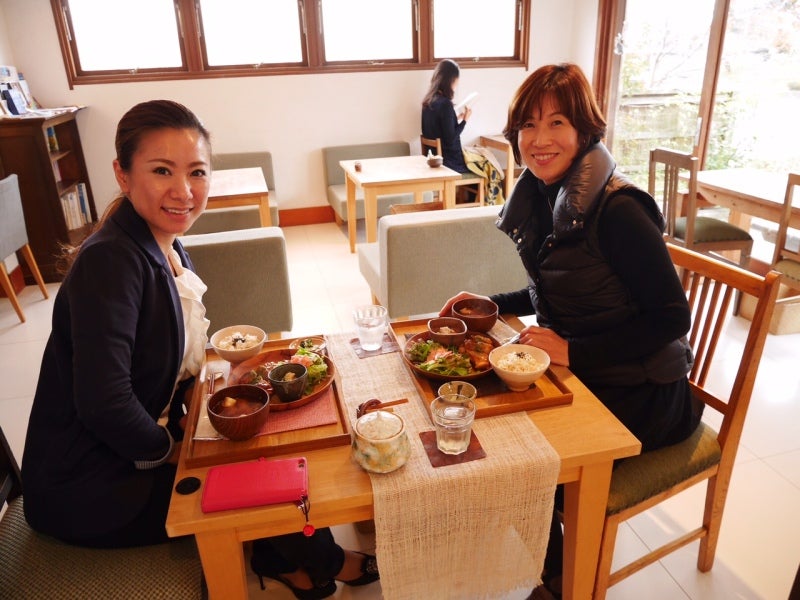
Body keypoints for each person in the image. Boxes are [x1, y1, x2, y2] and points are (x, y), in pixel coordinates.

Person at [21, 99, 378, 600]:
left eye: (197, 172)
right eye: (161, 170)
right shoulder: (111, 263)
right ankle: (327, 560)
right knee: (252, 481)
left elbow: (167, 356)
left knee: (264, 436)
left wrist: (201, 398)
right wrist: (174, 452)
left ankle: (283, 560)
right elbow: (104, 403)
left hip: (123, 451)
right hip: (89, 484)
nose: (183, 191)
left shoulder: (161, 240)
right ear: (122, 175)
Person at [439, 63, 703, 598]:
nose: (539, 140)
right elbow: (557, 293)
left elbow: (672, 317)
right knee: (485, 416)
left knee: (519, 453)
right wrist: (492, 303)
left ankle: (564, 581)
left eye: (556, 122)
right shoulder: (547, 195)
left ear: (585, 131)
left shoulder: (620, 210)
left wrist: (571, 350)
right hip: (596, 373)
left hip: (645, 393)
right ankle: (549, 564)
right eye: (527, 126)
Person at [421, 58, 472, 173]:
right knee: (484, 165)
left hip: (432, 158)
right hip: (449, 162)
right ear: (451, 81)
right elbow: (450, 139)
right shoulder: (445, 104)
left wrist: (455, 119)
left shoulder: (428, 101)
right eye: (456, 81)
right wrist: (465, 121)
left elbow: (437, 128)